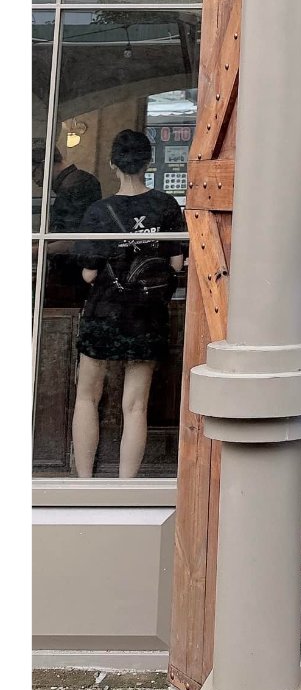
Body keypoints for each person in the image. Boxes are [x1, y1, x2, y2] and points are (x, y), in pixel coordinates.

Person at [72, 130, 187, 478]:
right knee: (136, 406)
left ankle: (84, 484)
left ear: (113, 164)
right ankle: (126, 488)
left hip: (104, 313)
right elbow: (176, 265)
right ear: (148, 162)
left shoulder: (98, 212)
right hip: (146, 315)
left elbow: (89, 275)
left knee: (87, 397)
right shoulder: (166, 206)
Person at [33, 142, 102, 306]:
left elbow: (75, 239)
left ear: (45, 163)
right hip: (70, 274)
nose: (35, 180)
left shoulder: (77, 185)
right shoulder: (74, 183)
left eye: (33, 172)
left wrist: (36, 250)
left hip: (73, 277)